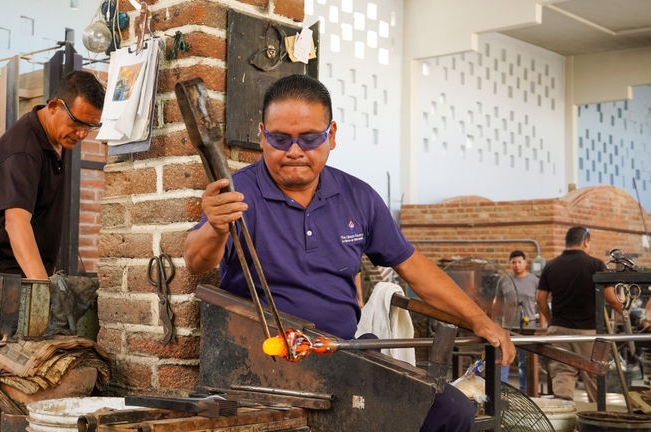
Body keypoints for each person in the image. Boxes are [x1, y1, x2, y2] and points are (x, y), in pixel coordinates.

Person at [183, 74, 515, 431]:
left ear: (332, 135)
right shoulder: (239, 192)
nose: (294, 151)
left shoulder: (358, 196)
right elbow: (196, 260)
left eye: (309, 138)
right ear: (262, 134)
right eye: (280, 139)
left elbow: (413, 266)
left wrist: (478, 319)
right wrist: (215, 228)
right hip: (264, 362)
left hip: (343, 357)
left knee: (450, 410)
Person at [0, 71, 105, 308]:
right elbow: (16, 222)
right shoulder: (22, 151)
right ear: (54, 106)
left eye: (90, 126)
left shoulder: (57, 138)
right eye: (77, 123)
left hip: (24, 276)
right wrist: (43, 291)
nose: (82, 134)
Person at [536, 226, 622, 400]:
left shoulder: (551, 265)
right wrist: (628, 312)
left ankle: (565, 423)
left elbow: (540, 299)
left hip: (559, 333)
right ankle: (597, 421)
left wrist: (553, 321)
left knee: (562, 378)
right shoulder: (595, 264)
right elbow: (612, 299)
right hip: (590, 333)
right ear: (585, 242)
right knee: (594, 379)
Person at [493, 250, 543, 391]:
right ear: (510, 264)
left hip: (529, 327)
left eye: (519, 262)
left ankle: (525, 391)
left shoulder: (534, 280)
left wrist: (543, 327)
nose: (517, 265)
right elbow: (497, 303)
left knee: (525, 362)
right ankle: (501, 391)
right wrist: (494, 322)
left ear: (525, 263)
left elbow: (541, 303)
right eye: (513, 262)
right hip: (507, 327)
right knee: (503, 360)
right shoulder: (504, 280)